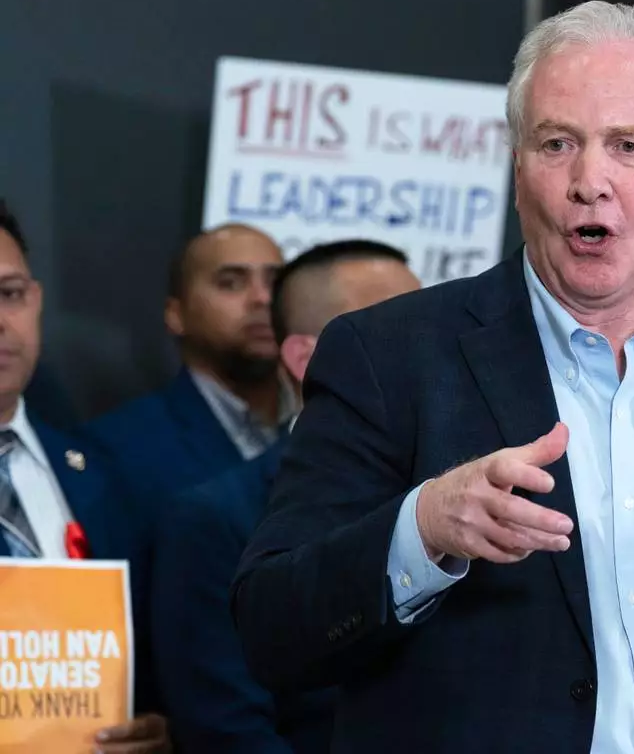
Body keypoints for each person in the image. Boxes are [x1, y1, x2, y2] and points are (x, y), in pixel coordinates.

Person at [232, 0, 634, 753]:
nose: (589, 180)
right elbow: (272, 629)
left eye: (628, 146)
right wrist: (424, 530)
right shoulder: (389, 358)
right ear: (518, 170)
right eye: (557, 143)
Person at [152, 240, 420, 754]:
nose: (429, 349)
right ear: (308, 358)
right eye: (396, 330)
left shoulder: (477, 489)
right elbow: (226, 730)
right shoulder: (213, 518)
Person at [0, 204, 170, 752]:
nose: (1, 320)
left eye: (10, 294)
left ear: (38, 301)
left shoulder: (104, 470)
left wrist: (157, 727)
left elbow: (151, 656)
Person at [84, 223, 294, 502]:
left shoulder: (330, 424)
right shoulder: (116, 448)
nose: (263, 299)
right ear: (176, 314)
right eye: (230, 283)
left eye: (276, 283)